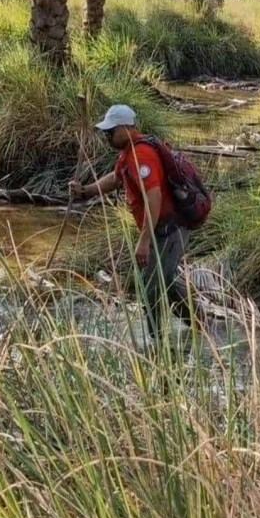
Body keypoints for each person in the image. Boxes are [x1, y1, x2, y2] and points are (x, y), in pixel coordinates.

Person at [69, 104, 196, 342]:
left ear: (127, 128)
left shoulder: (142, 155)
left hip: (170, 230)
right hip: (164, 230)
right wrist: (86, 191)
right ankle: (198, 327)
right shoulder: (129, 154)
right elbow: (116, 178)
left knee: (151, 289)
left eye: (111, 131)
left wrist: (144, 241)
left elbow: (154, 197)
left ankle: (158, 342)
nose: (107, 136)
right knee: (163, 282)